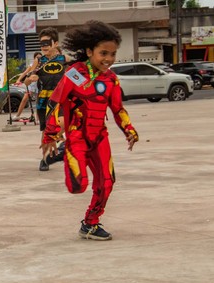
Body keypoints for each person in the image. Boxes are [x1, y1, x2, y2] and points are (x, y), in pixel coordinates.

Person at [40, 20, 139, 241]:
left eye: (113, 54)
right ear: (88, 51)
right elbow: (56, 102)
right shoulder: (75, 73)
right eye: (103, 53)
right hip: (77, 136)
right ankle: (64, 154)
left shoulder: (112, 80)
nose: (109, 59)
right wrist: (50, 133)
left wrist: (129, 130)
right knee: (78, 186)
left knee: (107, 182)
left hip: (99, 137)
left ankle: (90, 223)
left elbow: (118, 109)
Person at [24, 27, 71, 171]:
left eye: (46, 43)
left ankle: (62, 145)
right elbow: (26, 80)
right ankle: (45, 158)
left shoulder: (65, 59)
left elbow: (76, 76)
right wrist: (31, 78)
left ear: (55, 43)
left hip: (61, 99)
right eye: (41, 43)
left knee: (62, 123)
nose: (43, 46)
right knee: (46, 132)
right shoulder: (39, 60)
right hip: (44, 101)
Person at [12, 51, 42, 122]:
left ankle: (38, 118)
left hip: (39, 83)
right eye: (37, 58)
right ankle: (17, 115)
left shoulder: (43, 65)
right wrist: (18, 80)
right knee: (25, 98)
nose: (38, 59)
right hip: (31, 84)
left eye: (40, 58)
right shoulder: (32, 65)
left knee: (38, 101)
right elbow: (25, 73)